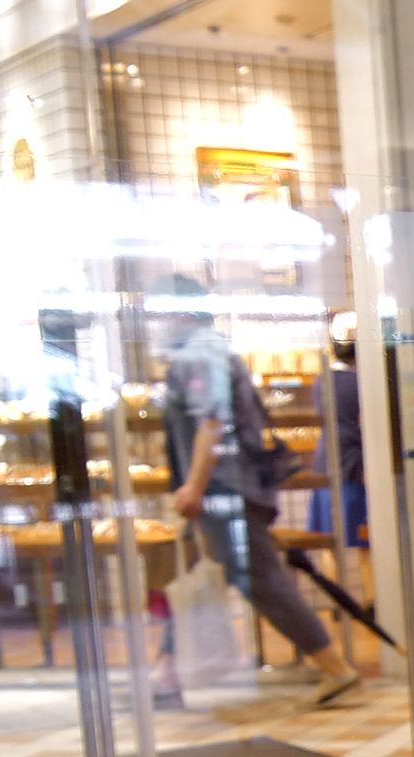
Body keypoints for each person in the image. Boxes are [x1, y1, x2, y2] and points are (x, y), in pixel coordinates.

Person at [154, 276, 362, 707]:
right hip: (229, 487)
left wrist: (194, 485)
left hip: (225, 489)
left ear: (180, 311)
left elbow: (211, 422)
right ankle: (167, 673)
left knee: (261, 579)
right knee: (200, 575)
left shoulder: (200, 353)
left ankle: (335, 668)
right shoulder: (208, 350)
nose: (157, 322)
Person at [308, 313, 369, 569]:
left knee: (330, 544)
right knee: (366, 543)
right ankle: (371, 595)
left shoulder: (320, 382)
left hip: (324, 465)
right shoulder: (361, 382)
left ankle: (335, 594)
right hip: (354, 468)